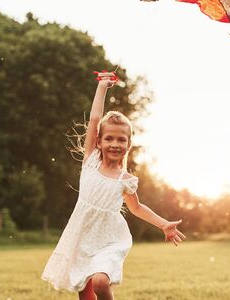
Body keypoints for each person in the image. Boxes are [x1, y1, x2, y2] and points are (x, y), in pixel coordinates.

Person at [41, 72, 186, 300]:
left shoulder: (125, 179)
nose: (114, 144)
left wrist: (164, 224)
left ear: (129, 145)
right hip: (83, 235)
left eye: (121, 140)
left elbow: (137, 208)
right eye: (109, 138)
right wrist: (102, 87)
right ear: (98, 141)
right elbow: (95, 119)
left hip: (109, 239)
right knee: (85, 290)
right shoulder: (91, 162)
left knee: (100, 281)